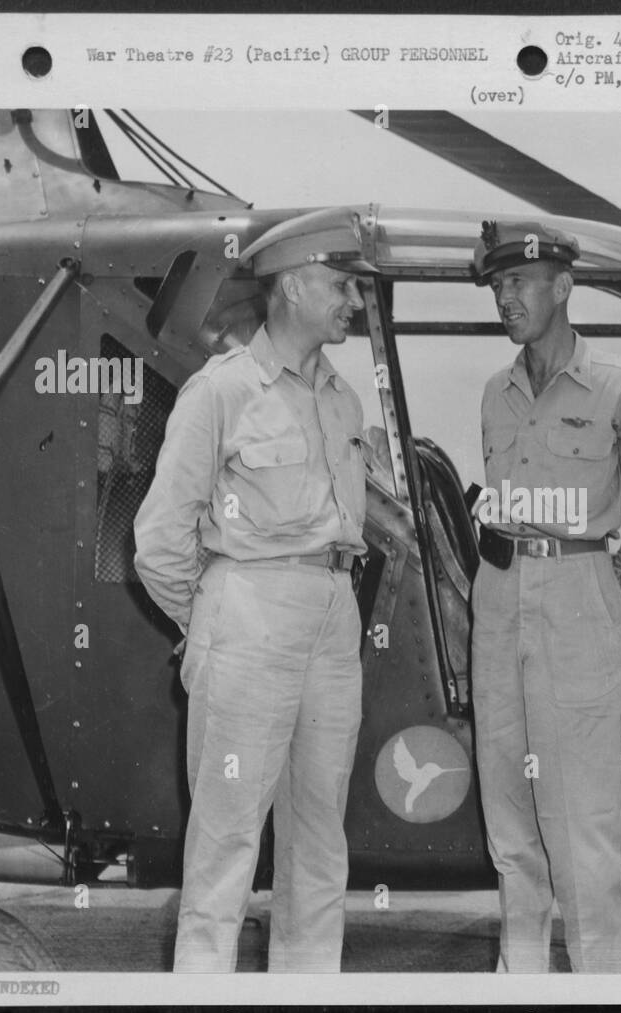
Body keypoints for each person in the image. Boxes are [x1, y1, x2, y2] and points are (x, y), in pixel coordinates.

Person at [133, 207, 378, 972]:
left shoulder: (343, 398)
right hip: (250, 619)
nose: (353, 302)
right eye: (340, 286)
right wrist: (211, 622)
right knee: (227, 844)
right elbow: (159, 541)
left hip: (334, 621)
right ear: (294, 286)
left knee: (319, 845)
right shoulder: (221, 393)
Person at [469, 219, 621, 973]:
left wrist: (596, 605)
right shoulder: (496, 393)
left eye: (518, 283)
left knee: (583, 834)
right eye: (496, 286)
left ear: (562, 285)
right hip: (499, 603)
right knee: (511, 831)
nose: (505, 299)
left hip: (580, 597)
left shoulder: (619, 390)